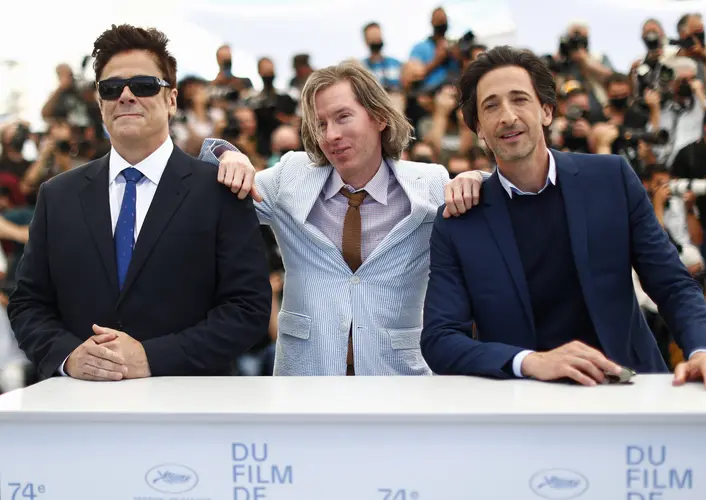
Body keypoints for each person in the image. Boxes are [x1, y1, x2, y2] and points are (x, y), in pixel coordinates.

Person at [420, 46, 706, 391]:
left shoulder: (611, 179)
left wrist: (703, 350)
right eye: (491, 106)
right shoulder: (460, 218)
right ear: (478, 129)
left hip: (632, 389)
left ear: (546, 111)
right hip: (526, 405)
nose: (507, 116)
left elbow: (671, 283)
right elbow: (440, 339)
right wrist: (529, 361)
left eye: (520, 99)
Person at [8, 24, 272, 381]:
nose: (126, 96)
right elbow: (28, 304)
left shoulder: (221, 191)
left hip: (190, 408)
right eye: (112, 88)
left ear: (172, 99)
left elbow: (248, 309)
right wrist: (68, 356)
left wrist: (151, 357)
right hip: (81, 412)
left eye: (145, 85)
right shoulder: (57, 195)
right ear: (100, 104)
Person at [199, 60, 484, 376]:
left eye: (343, 117)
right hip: (305, 381)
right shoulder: (289, 177)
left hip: (399, 382)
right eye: (320, 124)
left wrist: (476, 179)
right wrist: (227, 154)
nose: (331, 134)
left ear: (379, 117)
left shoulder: (429, 182)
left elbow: (500, 198)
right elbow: (201, 191)